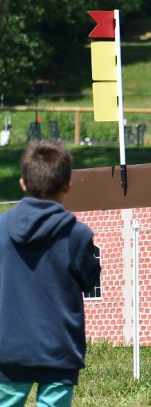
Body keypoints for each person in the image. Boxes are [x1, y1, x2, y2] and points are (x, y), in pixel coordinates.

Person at [0, 141, 101, 407]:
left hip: (7, 348)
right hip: (59, 348)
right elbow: (91, 281)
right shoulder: (78, 235)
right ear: (68, 183)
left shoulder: (0, 230)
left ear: (22, 183)